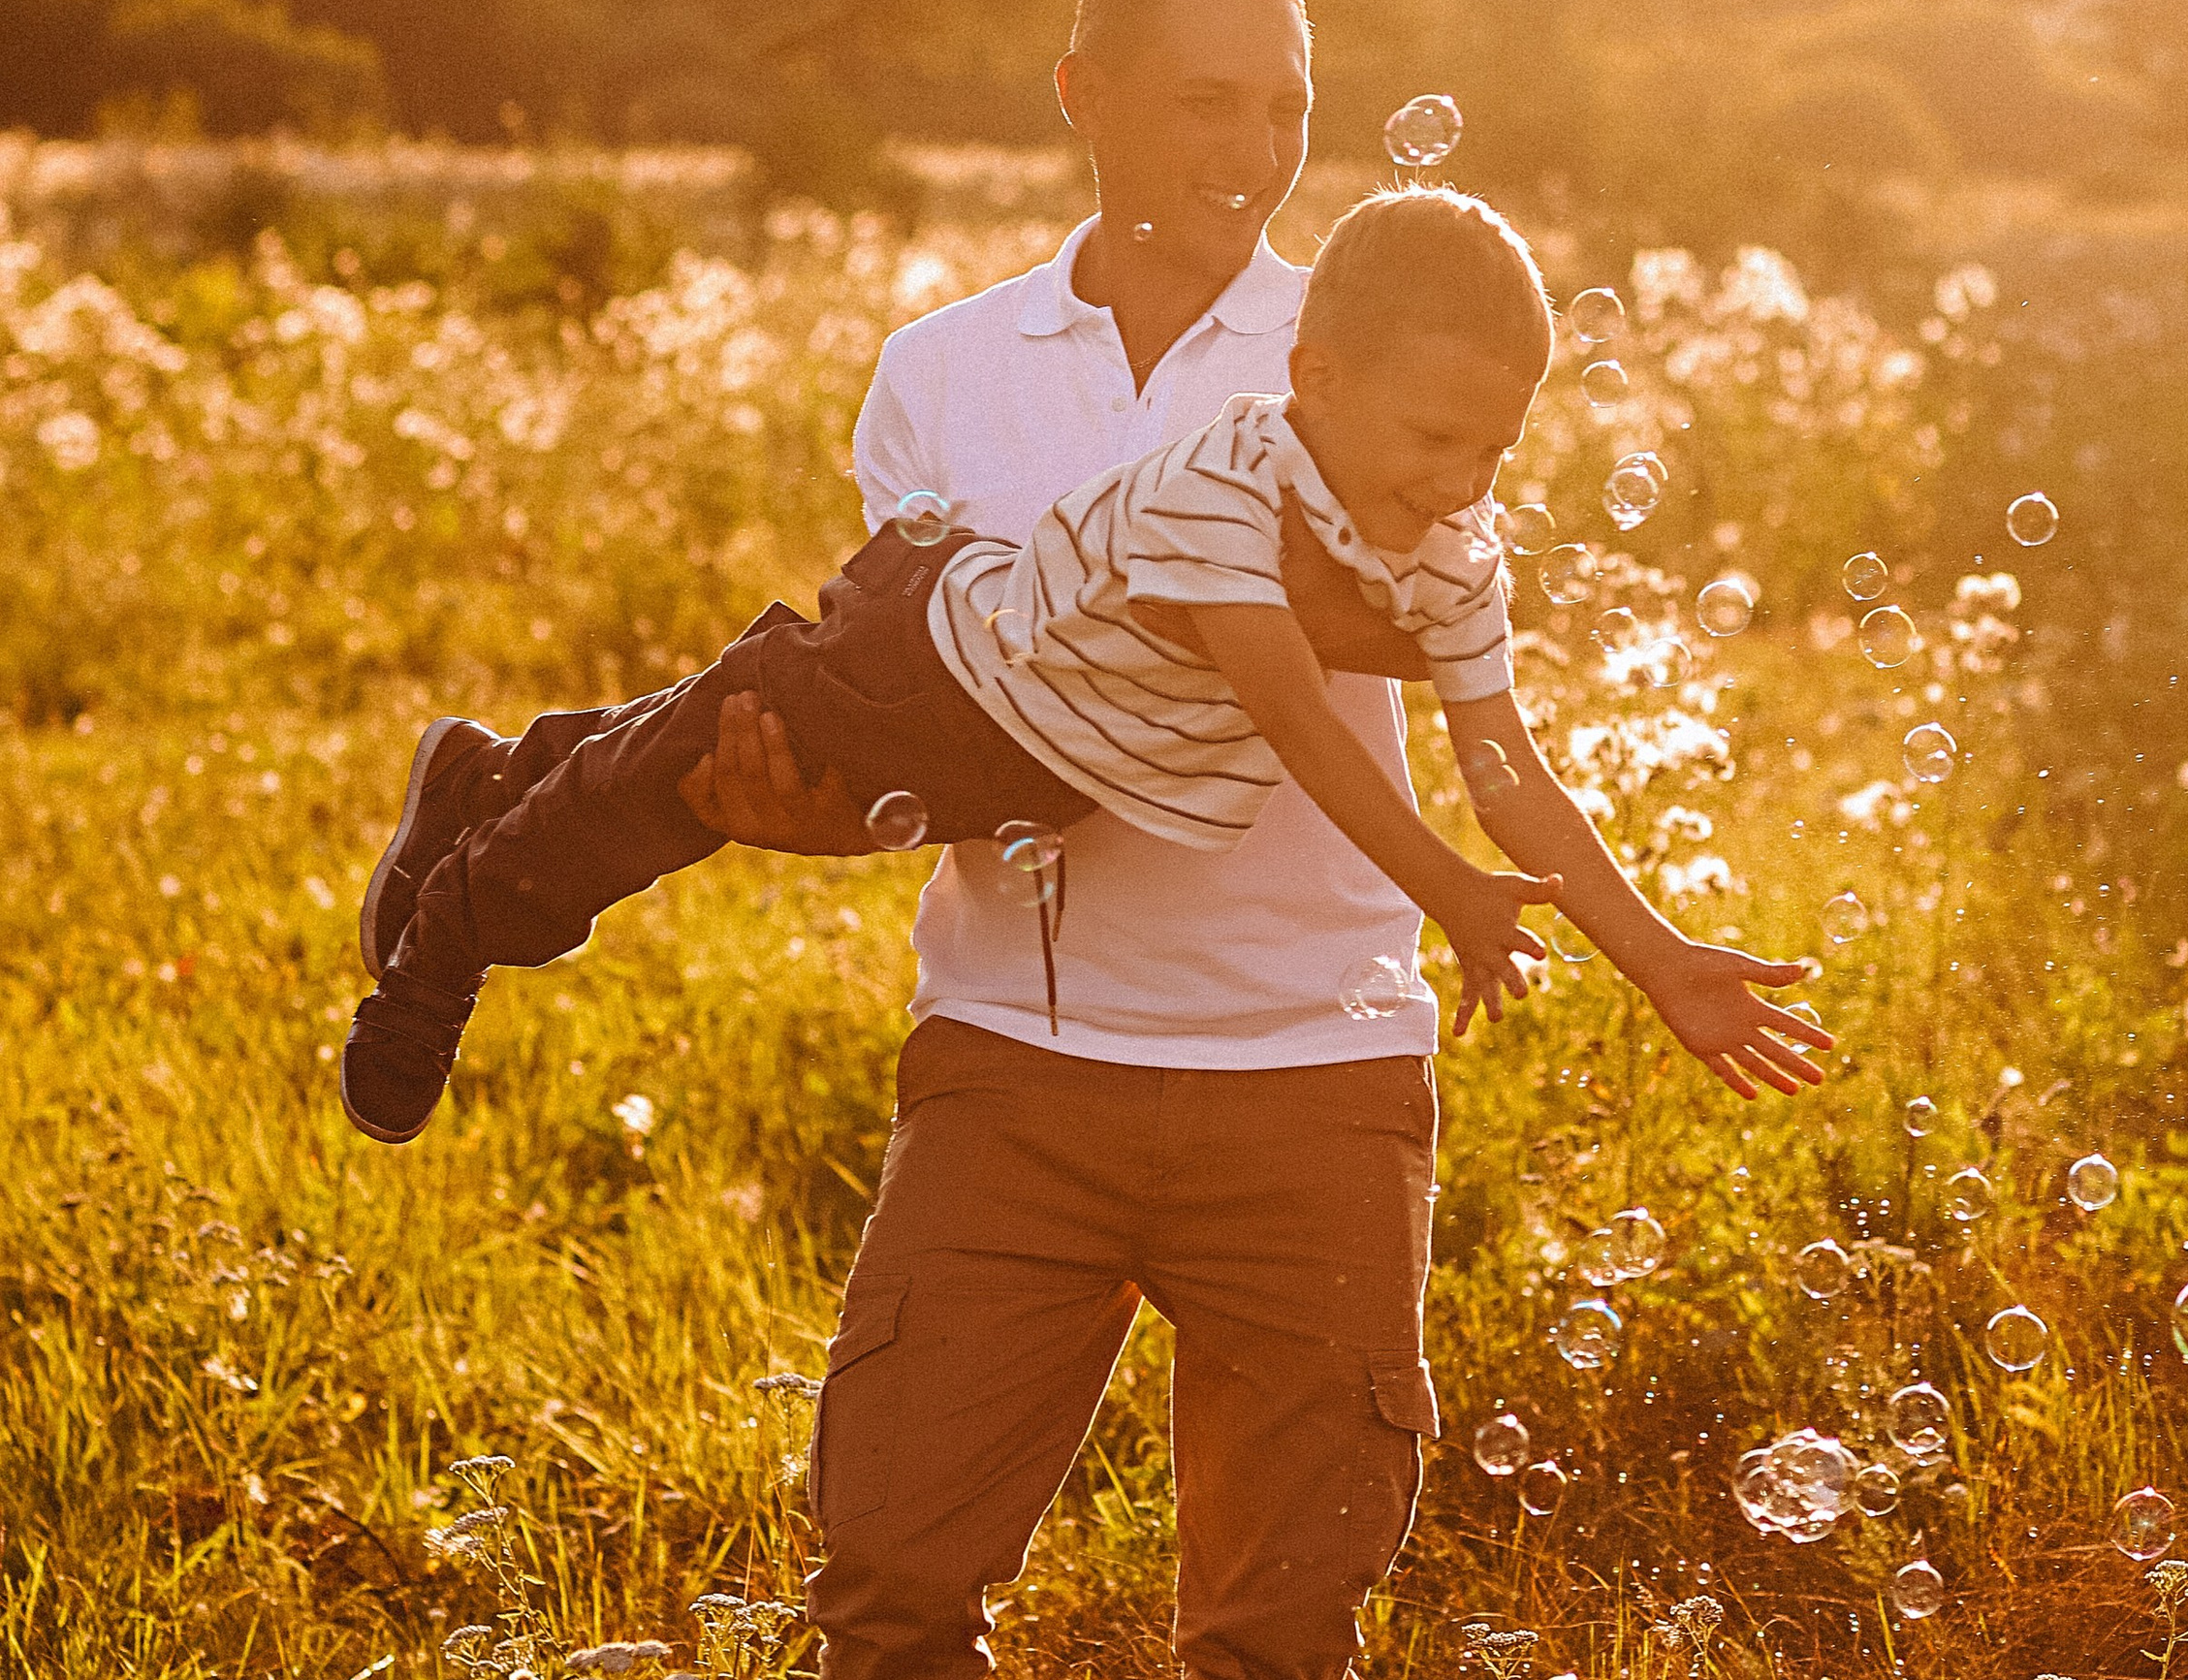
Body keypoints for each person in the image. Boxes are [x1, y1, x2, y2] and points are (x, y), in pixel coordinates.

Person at [370, 0, 1833, 1680]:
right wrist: (781, 807)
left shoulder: (1398, 354)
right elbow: (933, 725)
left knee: (1273, 1635)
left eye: (1283, 100)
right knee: (887, 1564)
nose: (1250, 146)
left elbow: (1478, 733)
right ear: (1083, 92)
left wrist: (1646, 951)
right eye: (1201, 97)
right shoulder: (949, 369)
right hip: (1018, 1058)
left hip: (1313, 1077)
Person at [337, 184, 1567, 1143]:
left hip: (1034, 769)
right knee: (656, 796)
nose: (1465, 483)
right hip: (929, 670)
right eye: (1439, 441)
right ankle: (440, 949)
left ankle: (495, 775)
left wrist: (1664, 960)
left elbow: (1502, 760)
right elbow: (1296, 718)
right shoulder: (1231, 475)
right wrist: (1450, 889)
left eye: (1494, 453)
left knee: (686, 737)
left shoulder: (1428, 515)